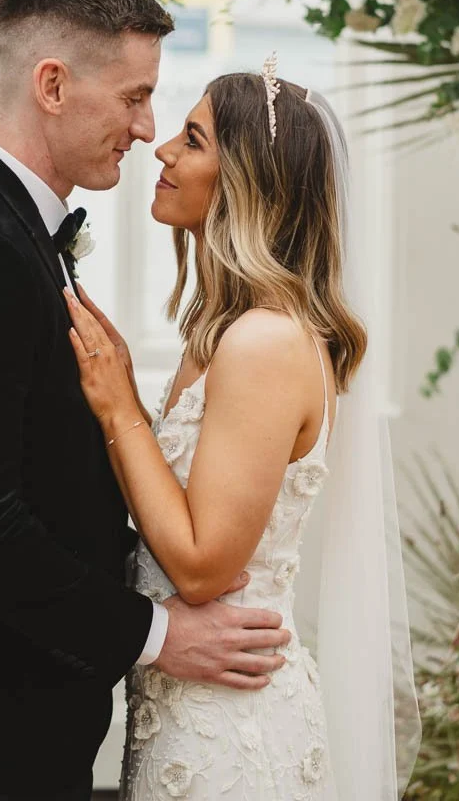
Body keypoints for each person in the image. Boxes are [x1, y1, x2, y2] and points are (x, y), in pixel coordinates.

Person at [0, 0, 293, 801]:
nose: (146, 128)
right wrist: (157, 633)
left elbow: (43, 478)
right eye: (134, 97)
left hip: (14, 692)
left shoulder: (9, 227)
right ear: (52, 85)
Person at [64, 59, 417, 799]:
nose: (162, 150)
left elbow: (202, 567)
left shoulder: (265, 343)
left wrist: (120, 408)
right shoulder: (227, 331)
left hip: (232, 734)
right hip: (189, 707)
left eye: (192, 140)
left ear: (250, 184)